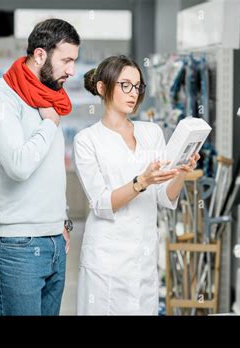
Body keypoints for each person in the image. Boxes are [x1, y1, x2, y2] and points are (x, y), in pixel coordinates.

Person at [73, 55, 200, 315]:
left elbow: (164, 197)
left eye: (138, 86)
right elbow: (101, 204)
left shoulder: (150, 132)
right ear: (102, 88)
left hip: (142, 259)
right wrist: (141, 181)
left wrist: (181, 172)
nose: (134, 93)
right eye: (125, 85)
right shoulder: (87, 140)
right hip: (106, 261)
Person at [0, 19, 80, 315]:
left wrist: (61, 220)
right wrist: (49, 124)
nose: (72, 71)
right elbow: (18, 165)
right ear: (40, 55)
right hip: (16, 244)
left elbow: (49, 170)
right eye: (67, 60)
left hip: (55, 240)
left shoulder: (47, 99)